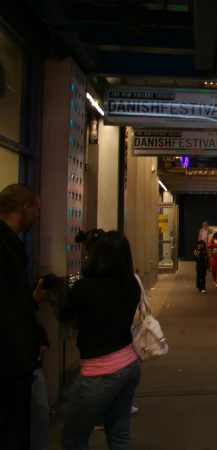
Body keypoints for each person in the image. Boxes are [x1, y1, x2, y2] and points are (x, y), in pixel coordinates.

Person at [59, 231, 142, 450]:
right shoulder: (131, 285)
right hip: (129, 363)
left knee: (73, 439)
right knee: (119, 435)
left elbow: (64, 316)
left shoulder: (85, 288)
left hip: (100, 371)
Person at [0, 184, 49, 450]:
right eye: (37, 209)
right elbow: (8, 310)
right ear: (25, 208)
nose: (38, 216)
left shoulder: (11, 247)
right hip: (11, 367)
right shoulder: (7, 249)